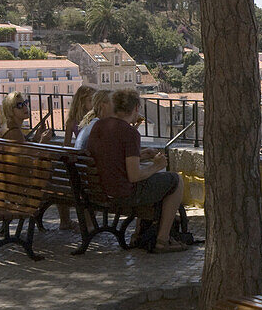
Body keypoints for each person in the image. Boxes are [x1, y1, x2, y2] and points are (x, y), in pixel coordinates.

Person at [86, 89, 187, 254]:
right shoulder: (130, 132)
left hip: (98, 191)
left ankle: (139, 234)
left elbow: (110, 158)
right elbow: (134, 176)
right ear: (136, 108)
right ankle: (162, 240)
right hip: (122, 194)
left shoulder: (99, 125)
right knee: (175, 180)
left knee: (152, 181)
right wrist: (157, 166)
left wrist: (140, 156)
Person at [57, 85, 97, 230]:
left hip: (77, 164)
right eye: (91, 100)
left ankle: (65, 221)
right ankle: (90, 224)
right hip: (87, 163)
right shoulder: (93, 121)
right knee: (86, 191)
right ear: (82, 102)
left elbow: (66, 146)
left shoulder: (71, 121)